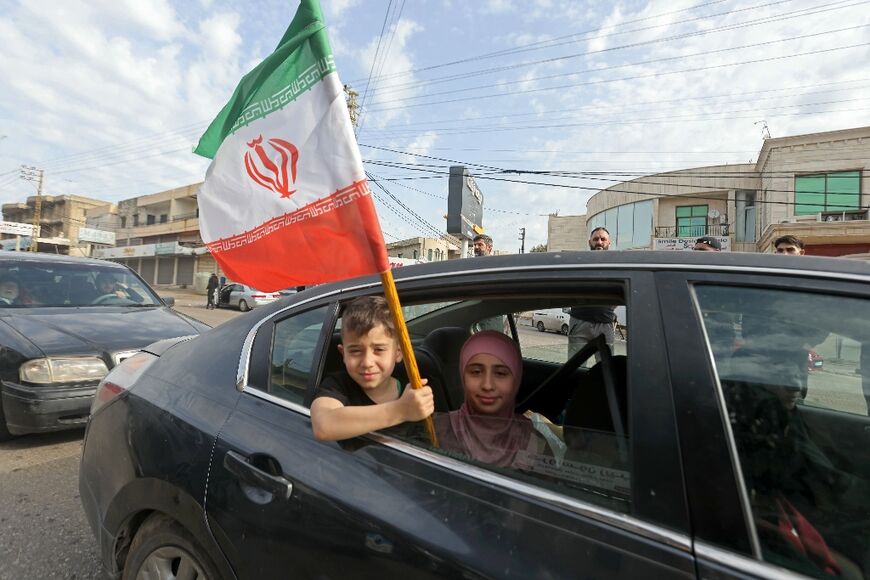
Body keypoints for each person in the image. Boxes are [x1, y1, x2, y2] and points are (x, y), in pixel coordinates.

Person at [311, 296, 434, 441]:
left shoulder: (413, 394)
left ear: (398, 353)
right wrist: (400, 410)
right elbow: (323, 426)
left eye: (379, 349)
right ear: (343, 354)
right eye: (355, 351)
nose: (367, 362)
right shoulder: (337, 386)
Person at [436, 331, 548, 468]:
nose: (487, 385)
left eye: (500, 373)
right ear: (463, 376)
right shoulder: (437, 430)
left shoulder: (532, 442)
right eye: (476, 372)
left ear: (516, 379)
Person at [568, 227, 617, 355]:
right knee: (575, 365)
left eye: (603, 239)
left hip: (605, 324)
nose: (599, 242)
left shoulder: (615, 265)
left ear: (609, 242)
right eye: (595, 239)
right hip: (579, 322)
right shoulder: (580, 264)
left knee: (606, 365)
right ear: (589, 242)